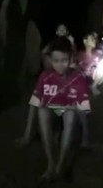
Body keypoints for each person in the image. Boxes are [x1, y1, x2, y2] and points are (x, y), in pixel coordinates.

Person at [29, 37, 91, 181]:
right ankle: (51, 163)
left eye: (64, 60)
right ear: (50, 60)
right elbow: (34, 103)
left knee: (69, 113)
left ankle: (60, 166)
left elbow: (84, 110)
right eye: (56, 61)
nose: (60, 65)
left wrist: (87, 137)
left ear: (71, 59)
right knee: (42, 110)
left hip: (70, 117)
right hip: (53, 114)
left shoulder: (77, 78)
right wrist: (28, 134)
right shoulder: (45, 76)